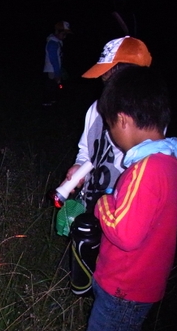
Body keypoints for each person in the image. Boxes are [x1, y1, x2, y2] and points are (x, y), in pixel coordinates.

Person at [75, 66, 177, 331]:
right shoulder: (175, 158)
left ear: (125, 120)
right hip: (148, 284)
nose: (113, 135)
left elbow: (125, 234)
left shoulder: (144, 168)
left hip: (122, 285)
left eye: (112, 126)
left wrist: (103, 202)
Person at [62, 36, 152, 211]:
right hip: (90, 202)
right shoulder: (95, 109)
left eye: (108, 73)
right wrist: (79, 166)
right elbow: (85, 151)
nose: (103, 79)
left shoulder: (149, 118)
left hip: (122, 209)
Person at [42, 21, 72, 107]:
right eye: (64, 34)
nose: (65, 37)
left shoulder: (58, 42)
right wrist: (57, 73)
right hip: (51, 70)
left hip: (56, 69)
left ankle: (53, 102)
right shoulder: (52, 43)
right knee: (50, 87)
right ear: (57, 32)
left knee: (55, 87)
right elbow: (54, 60)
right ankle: (47, 103)